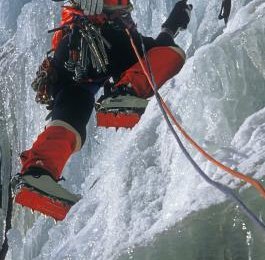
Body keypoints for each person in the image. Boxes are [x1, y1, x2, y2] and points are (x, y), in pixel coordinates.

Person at [12, 0, 192, 220]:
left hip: (69, 53)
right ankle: (125, 91)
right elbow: (159, 49)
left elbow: (158, 42)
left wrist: (172, 24)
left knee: (70, 118)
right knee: (172, 55)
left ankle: (37, 172)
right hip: (106, 38)